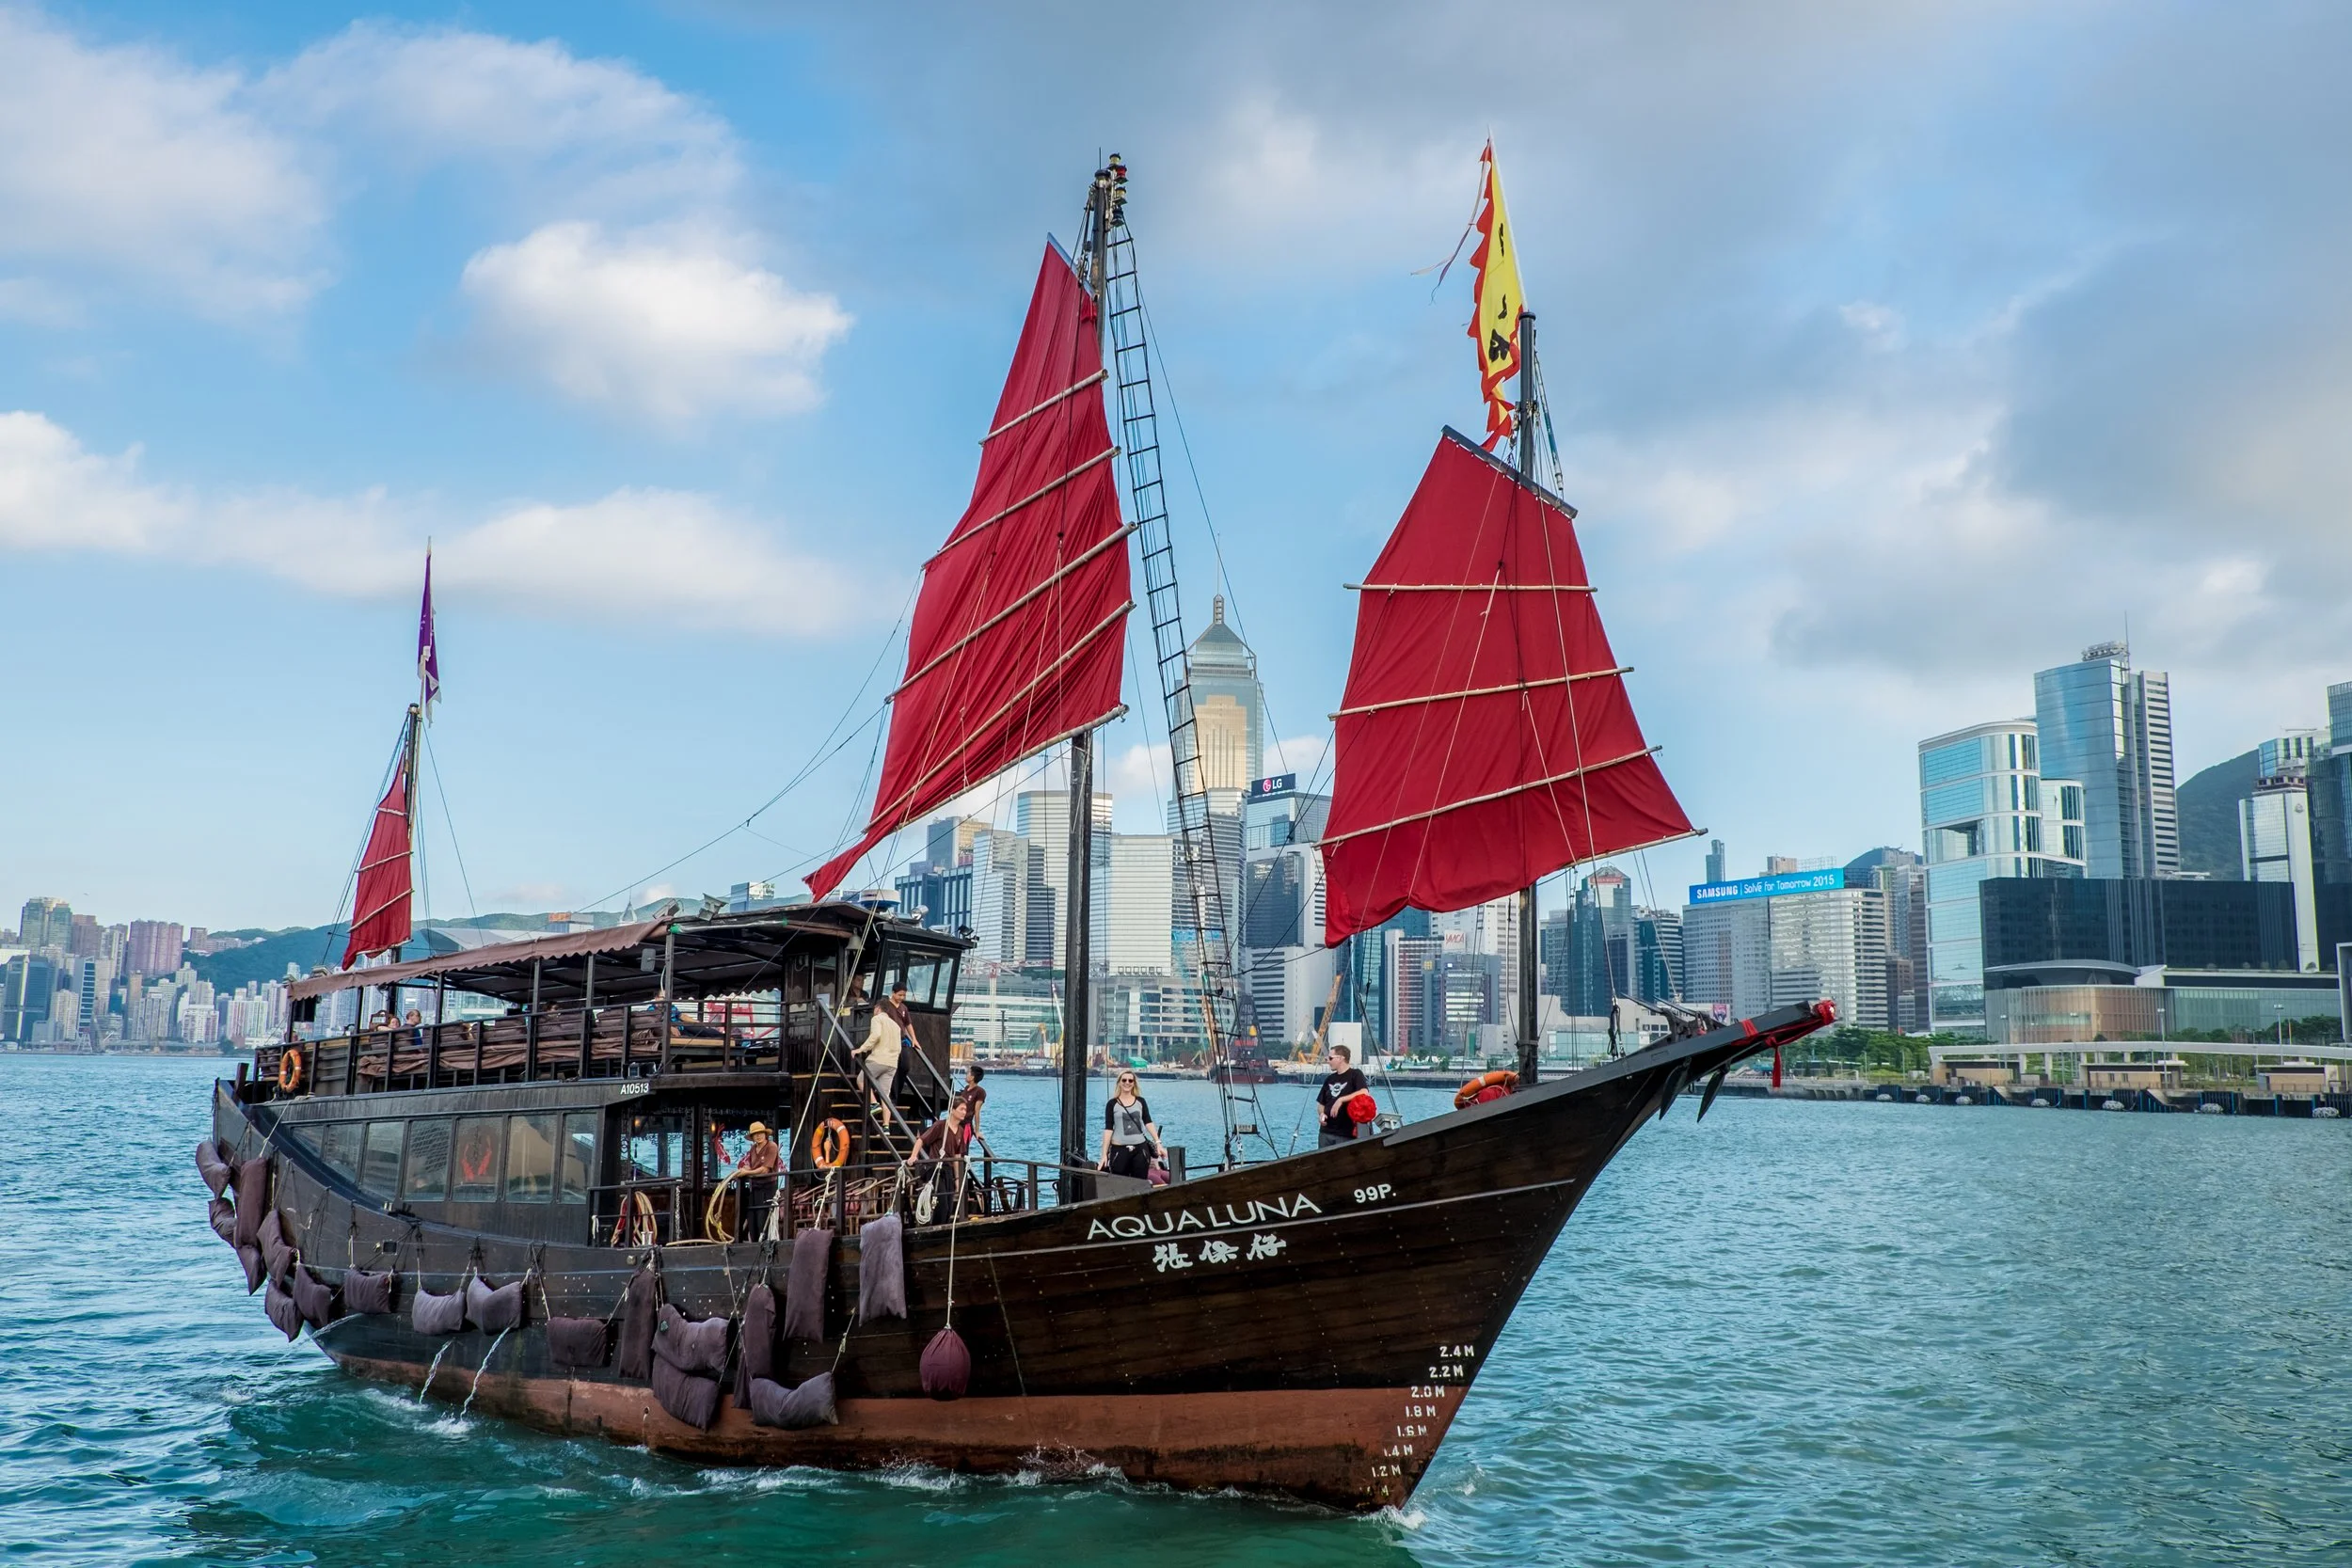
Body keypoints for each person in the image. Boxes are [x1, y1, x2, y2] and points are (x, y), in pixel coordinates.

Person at [853, 981, 911, 1118]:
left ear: (878, 1008)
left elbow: (876, 1036)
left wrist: (861, 1049)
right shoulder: (896, 1026)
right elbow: (898, 1047)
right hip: (892, 1063)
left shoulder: (877, 1019)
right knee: (885, 1095)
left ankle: (873, 1104)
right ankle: (886, 1127)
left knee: (861, 1080)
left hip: (879, 1059)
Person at [1096, 1070, 1165, 1180]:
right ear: (1119, 1082)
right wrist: (1104, 1154)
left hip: (1140, 1149)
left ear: (1134, 1083)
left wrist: (1158, 1143)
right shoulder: (1112, 1104)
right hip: (1119, 1149)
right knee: (1119, 1181)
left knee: (1140, 1182)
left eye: (1130, 1080)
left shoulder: (1141, 1102)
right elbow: (1108, 1129)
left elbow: (1148, 1122)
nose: (1127, 1083)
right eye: (1124, 1080)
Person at [1315, 1043, 1370, 1150]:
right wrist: (1321, 1114)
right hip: (1326, 1132)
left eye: (1330, 1058)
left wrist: (1341, 1100)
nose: (1328, 1061)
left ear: (1341, 1058)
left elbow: (1364, 1092)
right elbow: (1321, 1104)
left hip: (1345, 1133)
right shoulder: (1329, 1079)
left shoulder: (1355, 1074)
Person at [738, 1121, 782, 1240]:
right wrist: (746, 1168)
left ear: (765, 1134)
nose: (758, 1136)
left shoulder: (772, 1146)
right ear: (752, 1137)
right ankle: (754, 1241)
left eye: (761, 1133)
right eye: (755, 1134)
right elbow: (752, 1166)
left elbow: (764, 1170)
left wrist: (747, 1173)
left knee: (763, 1218)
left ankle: (765, 1242)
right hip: (755, 1187)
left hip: (768, 1187)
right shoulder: (753, 1148)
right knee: (752, 1217)